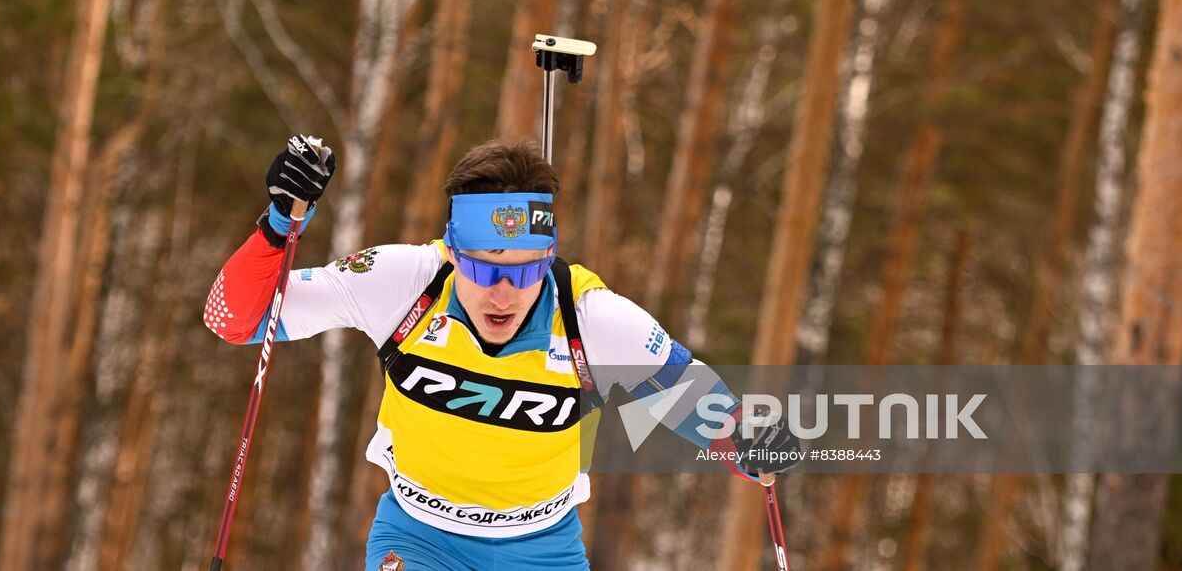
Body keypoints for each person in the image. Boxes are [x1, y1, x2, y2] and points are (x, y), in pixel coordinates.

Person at [204, 135, 798, 570]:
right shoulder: (402, 281)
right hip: (418, 539)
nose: (505, 293)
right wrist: (281, 221)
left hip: (544, 549)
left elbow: (695, 404)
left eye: (527, 270)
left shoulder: (594, 319)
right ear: (454, 251)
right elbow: (234, 320)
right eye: (484, 269)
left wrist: (751, 440)